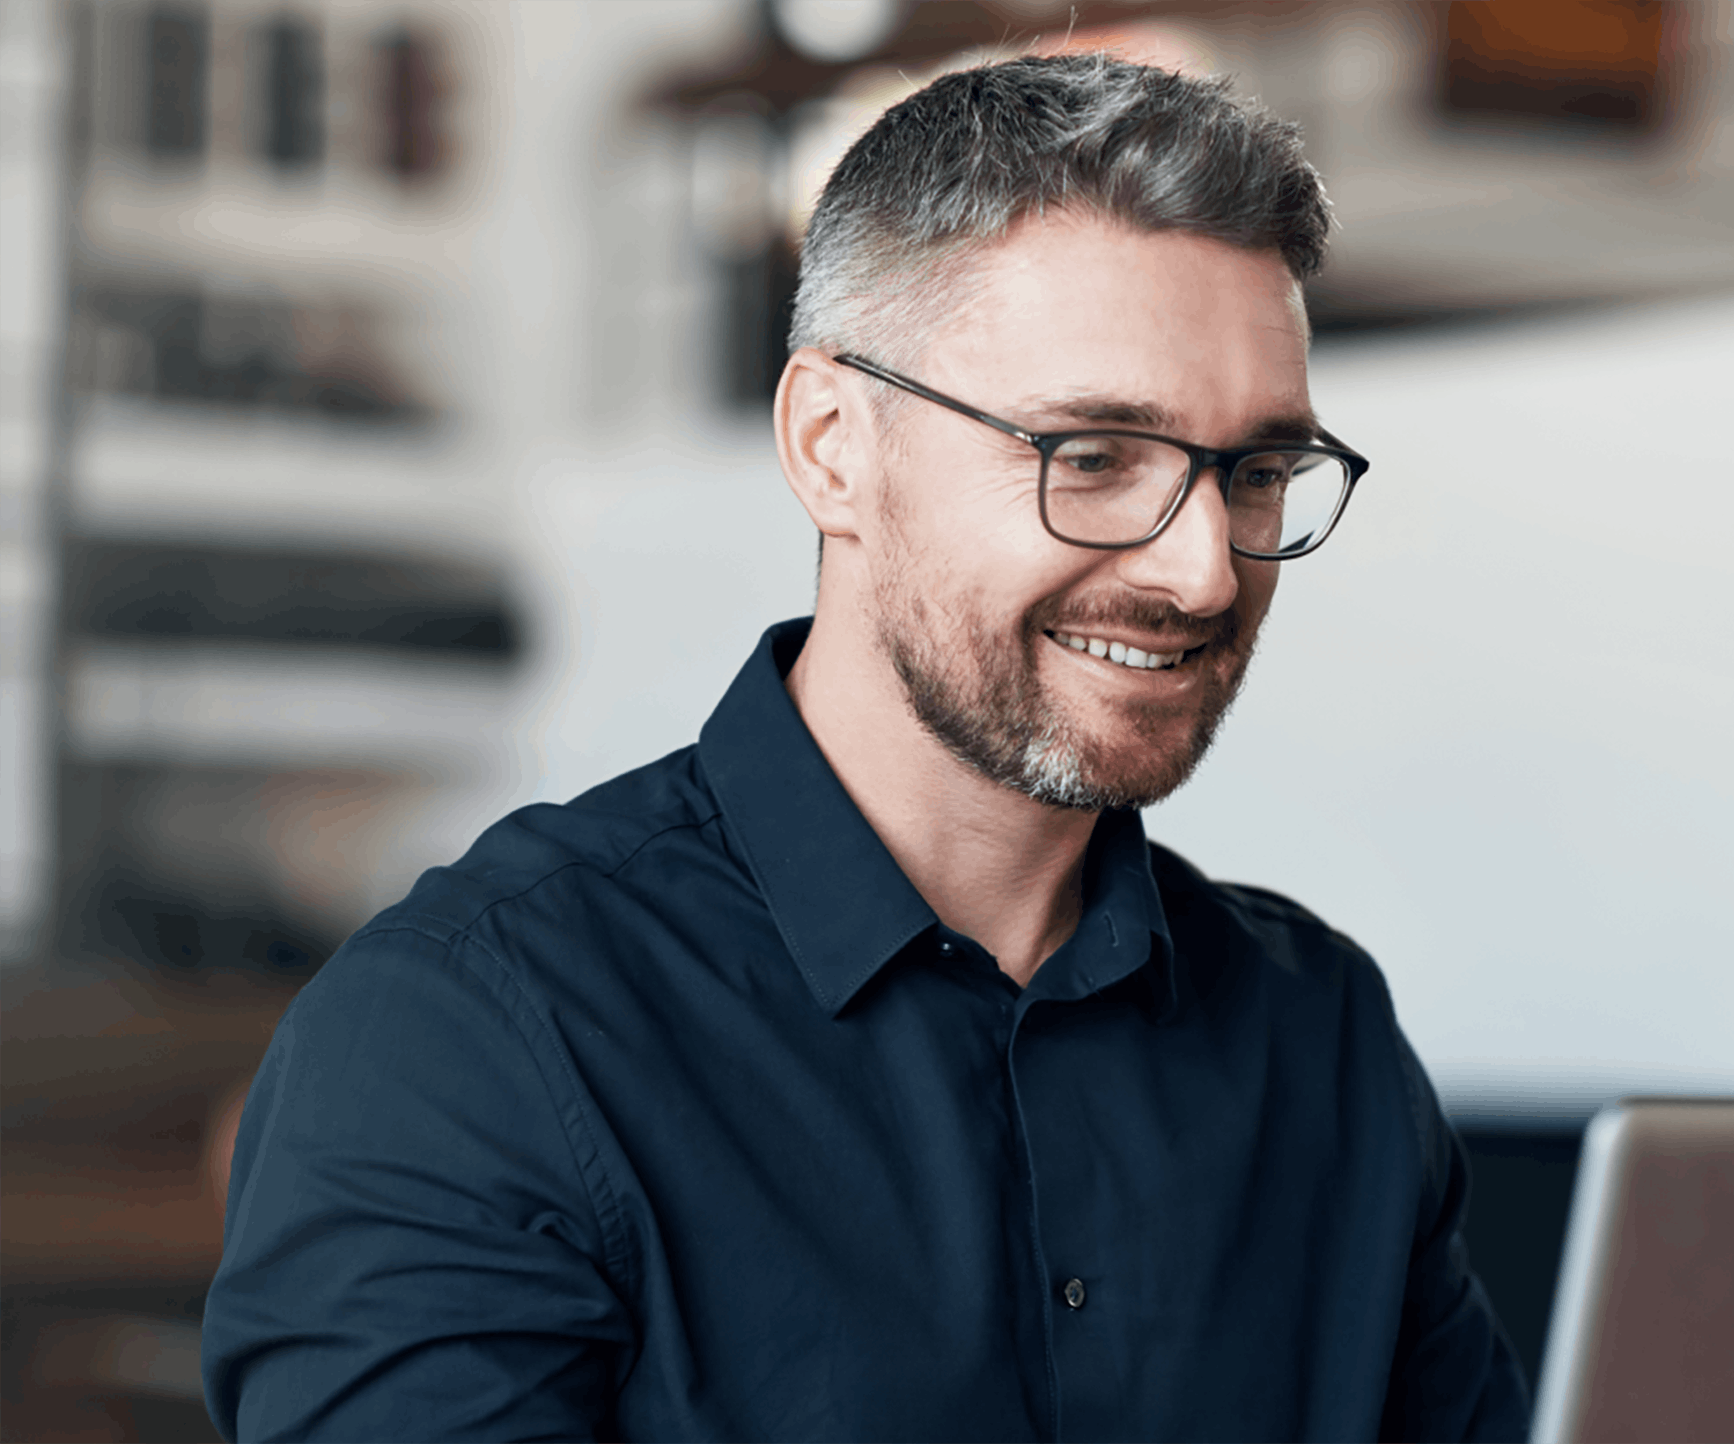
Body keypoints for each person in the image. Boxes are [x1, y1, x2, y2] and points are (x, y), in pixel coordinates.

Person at [203, 53, 1529, 1442]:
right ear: (833, 444)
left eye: (1254, 473)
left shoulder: (1317, 1040)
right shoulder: (465, 1041)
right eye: (1091, 456)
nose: (1202, 572)